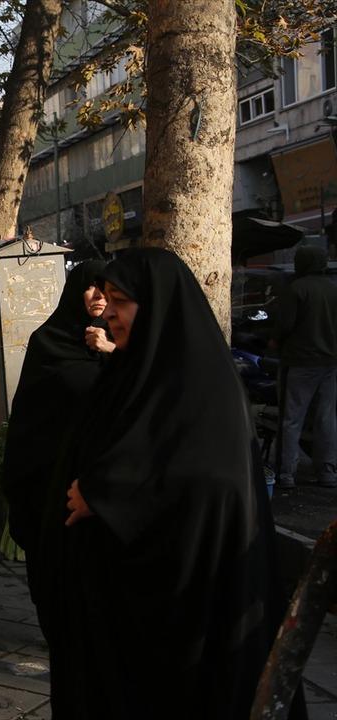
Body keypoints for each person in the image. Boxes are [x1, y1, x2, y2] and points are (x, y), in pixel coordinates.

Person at [45, 248, 299, 719]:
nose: (110, 313)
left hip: (182, 617)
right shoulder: (130, 372)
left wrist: (108, 494)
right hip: (115, 614)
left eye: (121, 301)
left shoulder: (205, 387)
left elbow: (212, 484)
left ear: (158, 307)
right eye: (107, 299)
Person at [2, 260, 106, 636]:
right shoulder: (48, 342)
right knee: (53, 558)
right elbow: (32, 410)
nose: (98, 296)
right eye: (90, 287)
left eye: (105, 288)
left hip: (98, 474)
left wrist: (110, 351)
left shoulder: (120, 341)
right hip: (49, 472)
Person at [274, 245, 336, 489]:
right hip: (330, 363)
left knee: (291, 419)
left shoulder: (297, 289)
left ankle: (287, 473)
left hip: (300, 362)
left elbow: (284, 326)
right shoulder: (332, 290)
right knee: (326, 419)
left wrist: (275, 340)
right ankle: (328, 472)